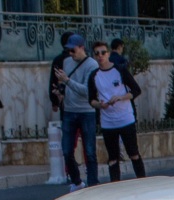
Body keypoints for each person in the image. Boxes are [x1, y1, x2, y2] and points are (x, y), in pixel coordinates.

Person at [88, 42, 145, 184]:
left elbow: (136, 90)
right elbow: (91, 100)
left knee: (133, 153)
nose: (100, 56)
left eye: (103, 52)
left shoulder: (120, 70)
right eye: (97, 53)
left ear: (108, 54)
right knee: (113, 157)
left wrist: (121, 97)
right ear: (94, 56)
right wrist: (100, 105)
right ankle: (115, 186)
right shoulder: (94, 76)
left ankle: (143, 182)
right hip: (108, 122)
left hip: (125, 118)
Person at [55, 34, 99, 190]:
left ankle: (93, 183)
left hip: (86, 111)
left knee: (89, 150)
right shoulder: (67, 62)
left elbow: (87, 91)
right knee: (66, 150)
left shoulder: (92, 65)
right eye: (69, 51)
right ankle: (76, 180)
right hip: (69, 110)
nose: (71, 54)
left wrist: (67, 81)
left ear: (81, 47)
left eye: (73, 50)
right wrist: (60, 90)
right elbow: (68, 85)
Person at [48, 31, 73, 115]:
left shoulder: (58, 60)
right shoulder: (79, 59)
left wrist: (54, 101)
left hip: (63, 98)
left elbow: (53, 80)